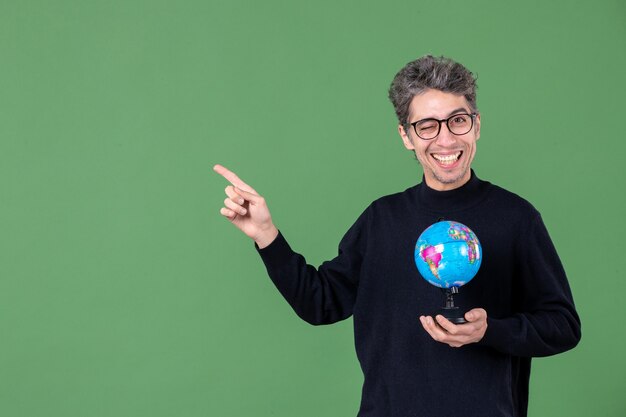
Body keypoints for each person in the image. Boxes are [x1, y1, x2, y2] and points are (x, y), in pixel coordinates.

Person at [214, 55, 581, 417]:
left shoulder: (515, 217)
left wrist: (489, 331)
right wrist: (266, 234)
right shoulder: (381, 221)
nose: (446, 139)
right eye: (427, 126)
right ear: (406, 136)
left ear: (477, 125)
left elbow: (563, 326)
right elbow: (320, 304)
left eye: (457, 121)